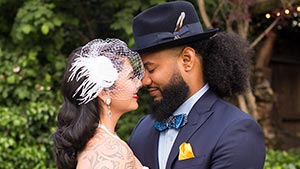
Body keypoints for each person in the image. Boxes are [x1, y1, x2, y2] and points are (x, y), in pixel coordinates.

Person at [128, 1, 266, 169]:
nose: (144, 81)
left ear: (187, 60)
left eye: (151, 69)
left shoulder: (236, 130)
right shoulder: (142, 130)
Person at [52, 38, 148, 169]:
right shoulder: (108, 152)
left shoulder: (101, 142)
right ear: (104, 92)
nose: (140, 83)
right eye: (131, 77)